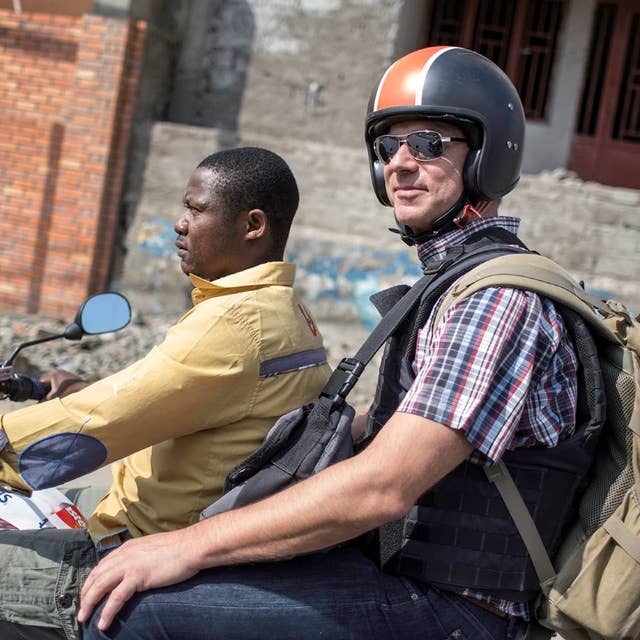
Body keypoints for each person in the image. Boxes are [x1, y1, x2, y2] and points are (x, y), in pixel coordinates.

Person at [78, 47, 581, 640]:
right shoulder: (449, 286)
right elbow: (385, 431)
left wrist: (189, 544)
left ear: (489, 155)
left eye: (427, 143)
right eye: (387, 147)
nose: (400, 163)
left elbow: (383, 488)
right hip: (404, 574)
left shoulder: (496, 302)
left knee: (137, 614)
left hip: (457, 612)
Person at [0, 146, 330, 638]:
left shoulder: (234, 324)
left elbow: (92, 426)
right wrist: (73, 387)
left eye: (196, 210)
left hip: (130, 552)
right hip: (172, 523)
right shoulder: (283, 313)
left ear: (253, 225)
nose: (179, 223)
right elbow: (165, 394)